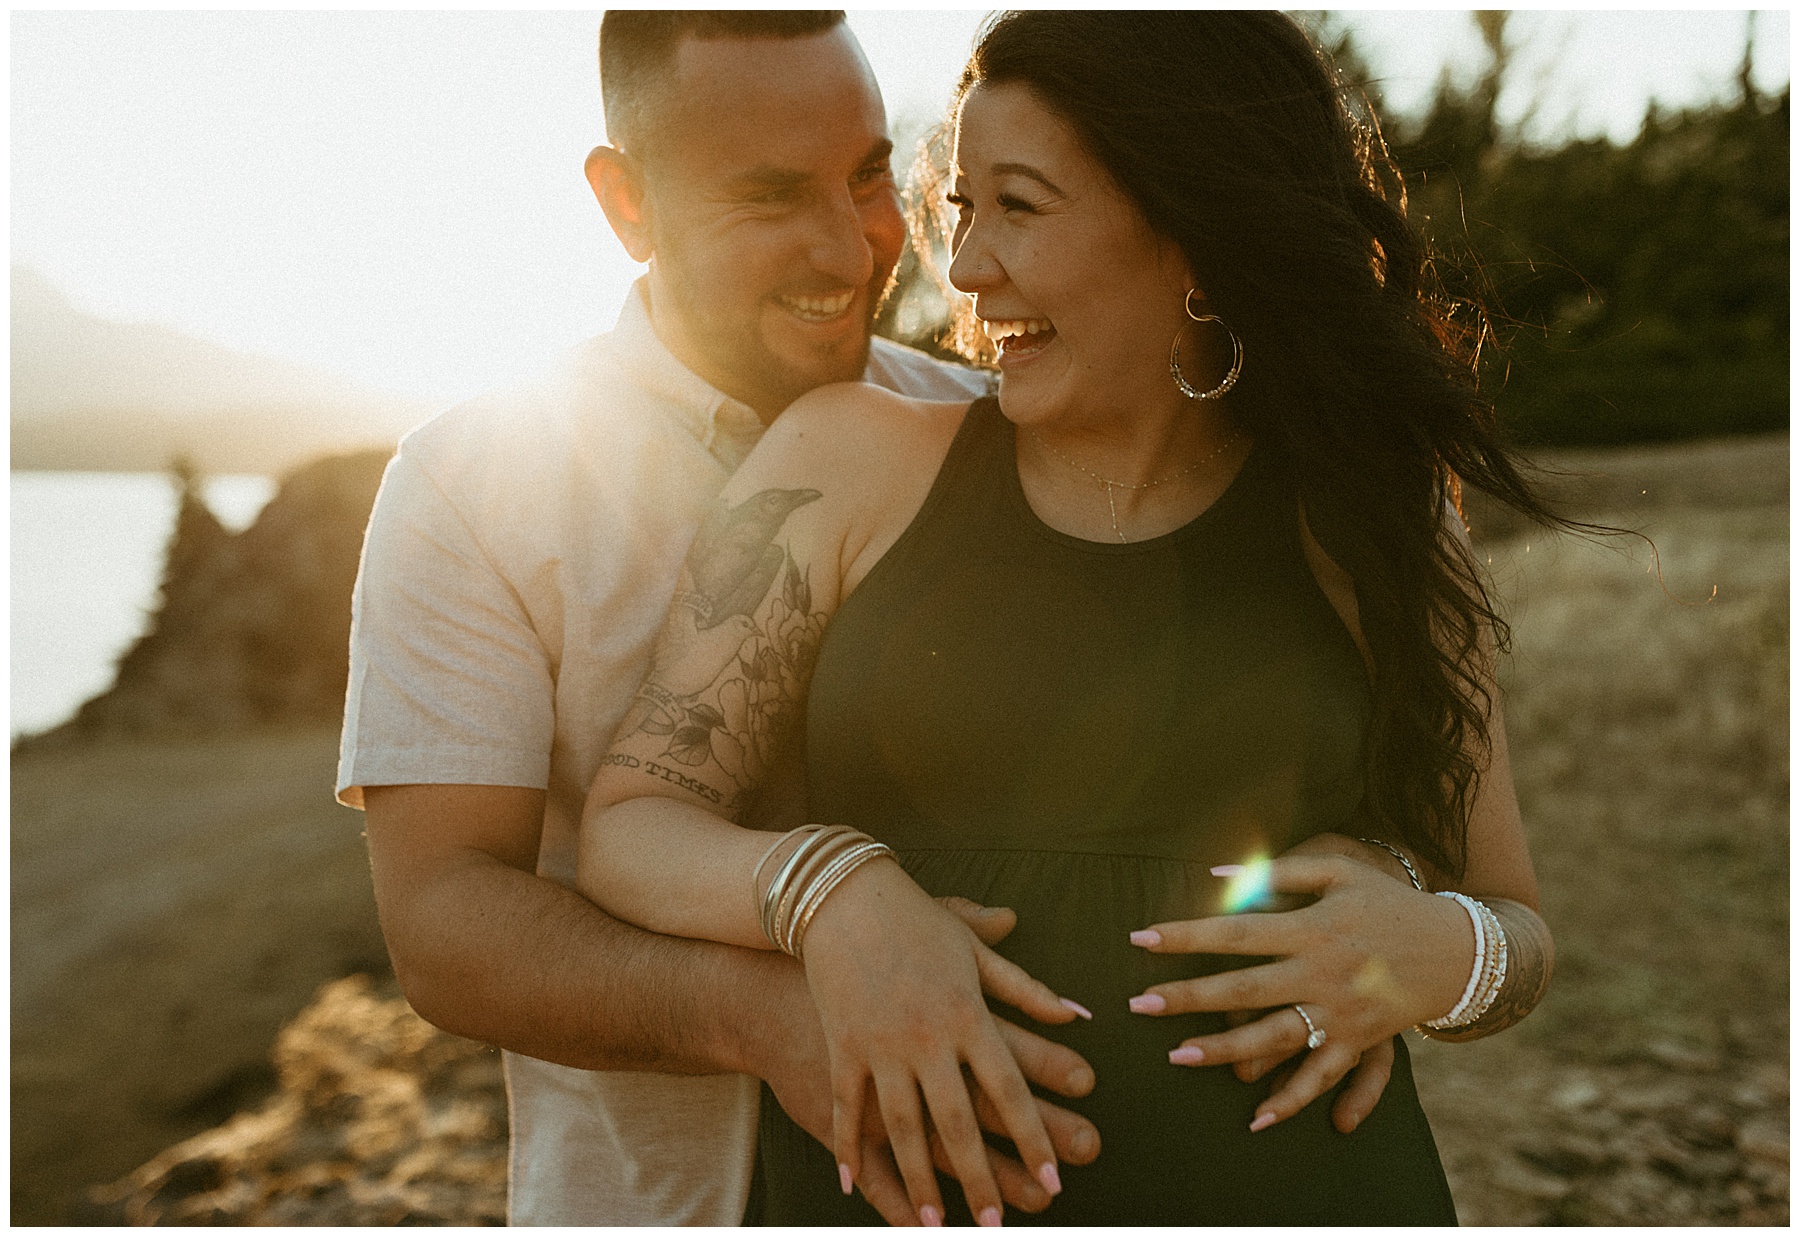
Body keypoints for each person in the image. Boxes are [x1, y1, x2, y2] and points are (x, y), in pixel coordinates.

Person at [578, 9, 1558, 1226]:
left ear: (1192, 232)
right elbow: (630, 826)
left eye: (1020, 207)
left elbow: (1513, 922)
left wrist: (1436, 954)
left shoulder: (1371, 517)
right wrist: (833, 891)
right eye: (961, 208)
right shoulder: (847, 464)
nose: (965, 266)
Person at [338, 12, 1107, 1225]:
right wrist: (775, 1018)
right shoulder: (471, 480)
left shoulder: (995, 432)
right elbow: (442, 922)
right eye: (769, 196)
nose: (851, 251)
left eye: (867, 175)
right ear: (626, 204)